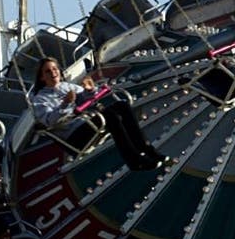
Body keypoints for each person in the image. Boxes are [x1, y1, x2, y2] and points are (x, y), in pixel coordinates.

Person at [31, 57, 167, 171]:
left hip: (87, 124)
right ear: (42, 77)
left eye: (54, 69)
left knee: (122, 105)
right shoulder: (40, 99)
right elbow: (49, 121)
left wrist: (89, 90)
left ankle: (145, 148)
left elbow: (85, 98)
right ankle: (134, 160)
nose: (53, 73)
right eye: (48, 71)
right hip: (74, 135)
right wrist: (64, 105)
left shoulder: (67, 86)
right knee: (110, 116)